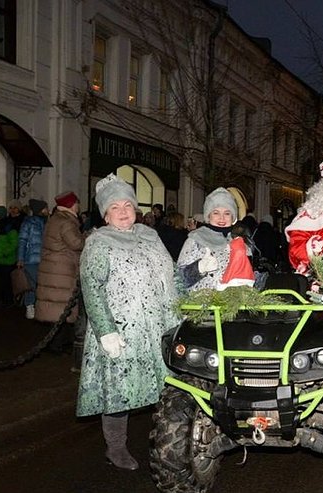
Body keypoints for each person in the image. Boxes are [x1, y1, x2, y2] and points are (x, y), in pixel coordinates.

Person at [76, 174, 180, 471]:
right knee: (118, 391)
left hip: (157, 327)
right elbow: (91, 287)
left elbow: (170, 272)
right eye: (114, 207)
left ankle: (167, 439)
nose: (122, 211)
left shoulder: (150, 235)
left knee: (165, 387)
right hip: (122, 329)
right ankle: (116, 447)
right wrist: (106, 331)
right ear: (105, 213)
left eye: (127, 205)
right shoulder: (98, 242)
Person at [36, 191, 85, 352]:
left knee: (55, 308)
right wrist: (90, 235)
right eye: (77, 203)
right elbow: (76, 243)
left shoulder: (55, 219)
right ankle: (59, 345)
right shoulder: (66, 222)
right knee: (62, 308)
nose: (78, 206)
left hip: (53, 269)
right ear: (71, 205)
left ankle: (55, 344)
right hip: (62, 270)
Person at [178, 187, 254, 291]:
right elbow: (179, 280)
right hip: (202, 304)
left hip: (235, 303)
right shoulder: (195, 239)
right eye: (216, 213)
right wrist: (199, 268)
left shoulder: (240, 241)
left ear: (233, 217)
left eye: (227, 213)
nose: (222, 218)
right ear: (208, 216)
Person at [17, 198, 49, 319]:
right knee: (34, 284)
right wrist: (20, 258)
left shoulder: (46, 222)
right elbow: (22, 241)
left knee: (33, 284)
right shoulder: (28, 223)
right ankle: (30, 306)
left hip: (43, 259)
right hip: (30, 259)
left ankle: (31, 307)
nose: (48, 210)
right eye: (45, 208)